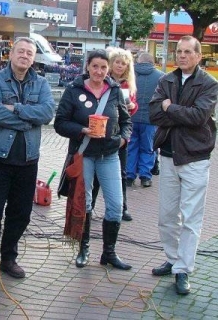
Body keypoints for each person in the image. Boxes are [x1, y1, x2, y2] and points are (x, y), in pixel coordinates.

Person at [0, 37, 55, 286]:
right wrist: (27, 120)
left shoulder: (40, 83)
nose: (25, 55)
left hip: (28, 160)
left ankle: (9, 258)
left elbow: (47, 113)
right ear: (11, 54)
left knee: (20, 214)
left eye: (29, 53)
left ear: (34, 58)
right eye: (20, 51)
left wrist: (15, 109)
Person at [149, 35, 218, 295]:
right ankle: (173, 257)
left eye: (188, 51)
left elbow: (199, 117)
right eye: (179, 51)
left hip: (195, 157)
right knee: (166, 215)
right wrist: (175, 111)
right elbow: (155, 113)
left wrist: (170, 107)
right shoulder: (165, 80)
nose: (182, 55)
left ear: (198, 56)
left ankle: (183, 269)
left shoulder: (209, 84)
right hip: (167, 155)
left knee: (191, 218)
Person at [54, 49, 133, 270]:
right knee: (84, 202)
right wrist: (82, 130)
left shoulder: (115, 91)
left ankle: (109, 252)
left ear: (108, 69)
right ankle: (84, 248)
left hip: (109, 155)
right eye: (95, 66)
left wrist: (122, 140)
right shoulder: (74, 90)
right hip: (84, 154)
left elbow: (126, 121)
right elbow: (60, 123)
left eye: (103, 67)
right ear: (87, 66)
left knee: (116, 206)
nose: (99, 71)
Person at [91, 47, 137, 221]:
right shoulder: (104, 82)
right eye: (117, 62)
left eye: (123, 64)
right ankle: (91, 205)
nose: (120, 66)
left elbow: (131, 111)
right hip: (101, 132)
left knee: (121, 172)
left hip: (118, 136)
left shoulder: (128, 84)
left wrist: (132, 108)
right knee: (95, 173)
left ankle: (122, 207)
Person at [126, 52, 164, 188]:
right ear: (152, 62)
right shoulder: (161, 77)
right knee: (148, 148)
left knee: (131, 147)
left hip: (131, 117)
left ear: (138, 61)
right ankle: (145, 177)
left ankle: (129, 176)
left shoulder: (129, 75)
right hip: (151, 120)